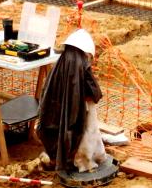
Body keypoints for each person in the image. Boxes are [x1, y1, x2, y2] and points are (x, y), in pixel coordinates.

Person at [36, 29, 103, 173]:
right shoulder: (80, 64)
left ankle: (57, 158)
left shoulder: (61, 62)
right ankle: (79, 161)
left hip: (54, 118)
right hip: (74, 122)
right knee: (85, 132)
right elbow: (95, 93)